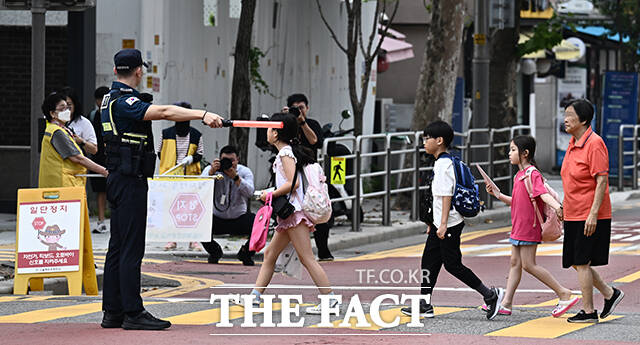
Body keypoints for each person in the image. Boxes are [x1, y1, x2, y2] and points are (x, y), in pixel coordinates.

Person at [100, 48, 224, 331]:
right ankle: (133, 312)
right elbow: (166, 112)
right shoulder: (124, 101)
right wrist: (202, 114)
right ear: (139, 71)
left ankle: (113, 312)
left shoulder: (108, 99)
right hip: (129, 181)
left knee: (117, 248)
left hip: (119, 178)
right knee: (131, 248)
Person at [401, 120, 504, 320]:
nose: (424, 142)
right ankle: (425, 303)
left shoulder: (443, 165)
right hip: (441, 223)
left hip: (448, 224)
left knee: (453, 265)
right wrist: (433, 223)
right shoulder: (447, 161)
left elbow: (446, 196)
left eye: (427, 138)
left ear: (439, 141)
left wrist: (442, 224)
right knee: (429, 262)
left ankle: (490, 295)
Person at [247, 112, 338, 314]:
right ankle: (254, 298)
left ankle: (330, 299)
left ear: (277, 134)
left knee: (307, 258)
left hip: (294, 215)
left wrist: (268, 193)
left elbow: (293, 183)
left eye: (270, 129)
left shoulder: (285, 154)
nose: (267, 133)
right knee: (270, 254)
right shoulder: (286, 152)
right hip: (290, 215)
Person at [486, 135, 579, 317]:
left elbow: (543, 194)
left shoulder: (532, 174)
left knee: (529, 265)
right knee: (515, 263)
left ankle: (563, 293)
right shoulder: (519, 176)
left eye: (513, 150)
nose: (509, 153)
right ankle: (506, 303)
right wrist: (498, 194)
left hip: (529, 226)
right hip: (518, 226)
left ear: (525, 153)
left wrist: (558, 207)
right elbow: (517, 202)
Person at [560, 99, 624, 323]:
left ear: (584, 120)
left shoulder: (594, 143)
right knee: (577, 262)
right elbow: (571, 180)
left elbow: (601, 181)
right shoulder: (573, 142)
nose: (565, 118)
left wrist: (594, 213)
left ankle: (588, 311)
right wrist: (563, 206)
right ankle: (609, 293)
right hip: (573, 211)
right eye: (565, 113)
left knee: (582, 262)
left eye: (570, 114)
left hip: (589, 213)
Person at [284, 93, 333, 261]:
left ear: (307, 108)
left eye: (301, 108)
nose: (298, 111)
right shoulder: (285, 124)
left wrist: (302, 122)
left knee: (317, 209)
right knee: (288, 212)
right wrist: (286, 119)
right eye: (295, 109)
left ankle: (323, 250)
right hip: (289, 171)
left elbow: (315, 141)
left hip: (309, 174)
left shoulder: (311, 124)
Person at [156, 101, 204, 251]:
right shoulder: (165, 134)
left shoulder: (196, 135)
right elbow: (159, 152)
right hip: (170, 178)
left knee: (190, 210)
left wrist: (191, 159)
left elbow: (200, 154)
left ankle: (192, 240)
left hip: (189, 178)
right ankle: (172, 239)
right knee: (171, 208)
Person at [200, 145, 256, 266]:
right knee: (200, 223)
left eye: (231, 160)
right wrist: (211, 173)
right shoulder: (212, 170)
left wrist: (236, 177)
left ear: (237, 160)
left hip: (239, 218)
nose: (228, 163)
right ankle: (215, 252)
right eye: (225, 160)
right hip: (218, 217)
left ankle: (246, 253)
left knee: (260, 225)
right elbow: (200, 187)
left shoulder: (244, 172)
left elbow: (250, 192)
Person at [39, 92, 108, 188]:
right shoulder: (57, 132)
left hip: (63, 182)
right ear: (52, 113)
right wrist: (104, 171)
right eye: (62, 108)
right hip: (62, 184)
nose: (67, 111)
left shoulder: (59, 129)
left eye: (67, 107)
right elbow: (77, 158)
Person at [90, 86, 111, 234]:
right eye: (98, 99)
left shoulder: (112, 114)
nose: (100, 102)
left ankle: (114, 219)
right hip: (97, 158)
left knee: (113, 189)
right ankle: (101, 220)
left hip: (112, 156)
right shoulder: (93, 116)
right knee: (100, 191)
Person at [60, 86, 98, 156]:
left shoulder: (83, 122)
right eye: (62, 105)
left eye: (69, 105)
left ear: (75, 105)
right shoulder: (55, 121)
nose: (66, 108)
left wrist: (81, 142)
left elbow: (94, 150)